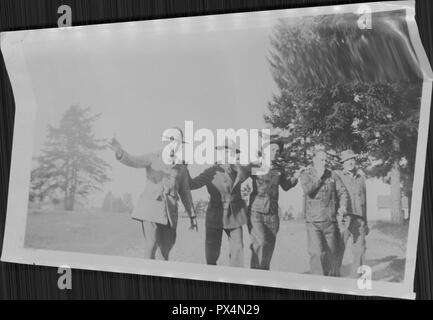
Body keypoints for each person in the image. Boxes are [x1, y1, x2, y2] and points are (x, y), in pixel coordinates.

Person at [108, 127, 197, 261]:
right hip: (150, 207)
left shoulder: (182, 166)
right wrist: (120, 152)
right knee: (151, 245)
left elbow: (185, 192)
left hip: (169, 212)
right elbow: (134, 161)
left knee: (165, 250)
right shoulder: (153, 156)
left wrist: (192, 215)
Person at [188, 138, 251, 267]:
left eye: (231, 151)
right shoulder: (211, 171)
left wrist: (237, 165)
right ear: (220, 152)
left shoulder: (239, 170)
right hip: (215, 214)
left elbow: (248, 172)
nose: (228, 154)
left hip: (235, 215)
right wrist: (184, 169)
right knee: (211, 253)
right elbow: (192, 184)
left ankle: (236, 280)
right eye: (225, 151)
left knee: (238, 249)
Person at [248, 140, 301, 270]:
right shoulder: (255, 166)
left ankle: (264, 274)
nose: (274, 153)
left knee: (269, 246)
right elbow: (240, 173)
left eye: (277, 151)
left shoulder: (279, 169)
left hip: (273, 214)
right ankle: (254, 275)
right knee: (260, 242)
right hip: (256, 212)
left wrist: (296, 176)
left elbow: (286, 186)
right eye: (271, 150)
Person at [300, 148, 348, 276]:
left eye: (326, 159)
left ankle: (330, 283)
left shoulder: (333, 175)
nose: (324, 162)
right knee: (316, 253)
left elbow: (342, 192)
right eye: (321, 159)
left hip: (330, 221)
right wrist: (320, 177)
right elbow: (308, 190)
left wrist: (343, 206)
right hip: (313, 221)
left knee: (331, 253)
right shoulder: (306, 174)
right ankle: (317, 283)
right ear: (314, 160)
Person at [335, 149, 368, 278]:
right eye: (347, 160)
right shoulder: (337, 176)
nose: (350, 162)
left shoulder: (361, 178)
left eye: (352, 159)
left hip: (359, 219)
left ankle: (355, 278)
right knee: (339, 248)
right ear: (342, 163)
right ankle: (334, 277)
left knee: (360, 250)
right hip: (344, 218)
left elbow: (365, 202)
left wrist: (366, 222)